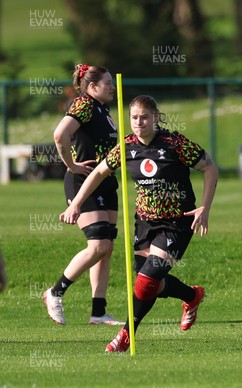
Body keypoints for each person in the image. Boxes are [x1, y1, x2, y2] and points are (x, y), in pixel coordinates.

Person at [60, 95, 218, 353]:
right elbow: (99, 172)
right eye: (134, 118)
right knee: (150, 282)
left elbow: (210, 167)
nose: (139, 122)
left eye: (144, 117)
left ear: (155, 117)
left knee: (146, 282)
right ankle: (192, 296)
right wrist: (76, 203)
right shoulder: (126, 146)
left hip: (177, 222)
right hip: (145, 224)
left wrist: (205, 207)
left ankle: (125, 334)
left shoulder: (174, 143)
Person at [44, 63, 122, 326]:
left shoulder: (103, 109)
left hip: (106, 182)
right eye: (107, 83)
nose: (112, 87)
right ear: (92, 87)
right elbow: (60, 134)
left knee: (106, 248)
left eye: (112, 82)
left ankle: (98, 312)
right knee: (98, 245)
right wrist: (71, 165)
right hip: (83, 181)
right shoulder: (84, 104)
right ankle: (55, 292)